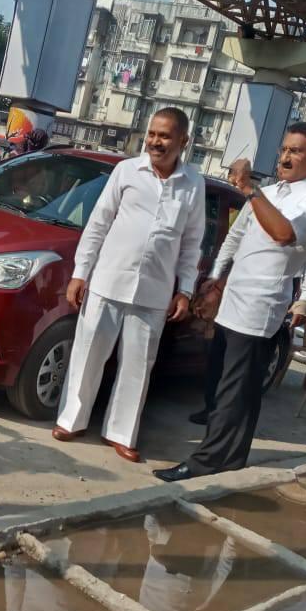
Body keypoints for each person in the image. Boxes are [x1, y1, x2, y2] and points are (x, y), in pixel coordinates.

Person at [155, 122, 306, 482]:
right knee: (230, 382)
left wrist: (250, 189)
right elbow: (237, 237)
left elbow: (284, 234)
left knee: (233, 387)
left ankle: (208, 459)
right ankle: (232, 454)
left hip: (260, 304)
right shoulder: (272, 192)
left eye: (295, 151)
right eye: (284, 149)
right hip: (234, 296)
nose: (285, 156)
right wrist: (217, 277)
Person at [52, 107, 206, 462]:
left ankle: (121, 433)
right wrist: (81, 273)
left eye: (165, 136)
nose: (156, 142)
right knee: (88, 354)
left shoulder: (193, 183)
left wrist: (185, 289)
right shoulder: (126, 171)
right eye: (152, 134)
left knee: (138, 366)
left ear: (183, 141)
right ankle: (71, 420)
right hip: (108, 279)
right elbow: (98, 223)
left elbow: (192, 241)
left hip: (154, 291)